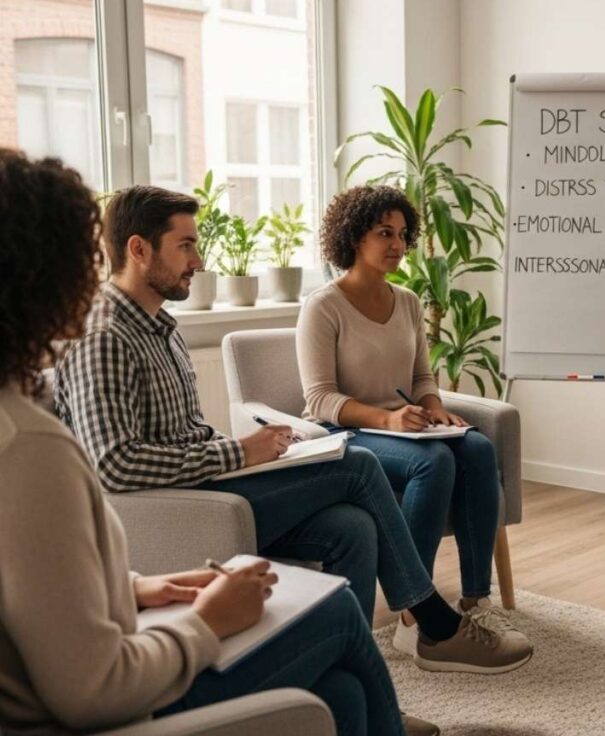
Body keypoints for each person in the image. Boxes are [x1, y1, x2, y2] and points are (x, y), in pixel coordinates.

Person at [0, 149, 433, 736]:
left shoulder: (151, 334)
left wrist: (135, 588)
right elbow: (115, 465)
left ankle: (376, 676)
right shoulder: (34, 438)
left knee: (351, 555)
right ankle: (429, 617)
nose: (90, 278)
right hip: (180, 517)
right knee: (354, 474)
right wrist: (206, 622)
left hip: (199, 494)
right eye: (79, 260)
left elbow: (41, 586)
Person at [54, 184, 531, 676]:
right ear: (138, 249)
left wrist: (271, 446)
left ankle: (358, 670)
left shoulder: (161, 327)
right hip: (184, 503)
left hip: (207, 481)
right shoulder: (105, 336)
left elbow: (185, 435)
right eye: (186, 245)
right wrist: (239, 455)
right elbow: (113, 465)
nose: (198, 260)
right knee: (361, 464)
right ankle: (432, 622)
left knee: (354, 526)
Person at [296, 185, 529, 656]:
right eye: (385, 233)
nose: (398, 245)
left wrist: (434, 406)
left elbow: (424, 375)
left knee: (478, 448)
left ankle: (475, 598)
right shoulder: (323, 307)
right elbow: (320, 399)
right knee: (434, 463)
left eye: (403, 234)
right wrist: (387, 417)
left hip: (403, 425)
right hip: (349, 431)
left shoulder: (407, 301)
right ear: (354, 237)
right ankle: (412, 612)